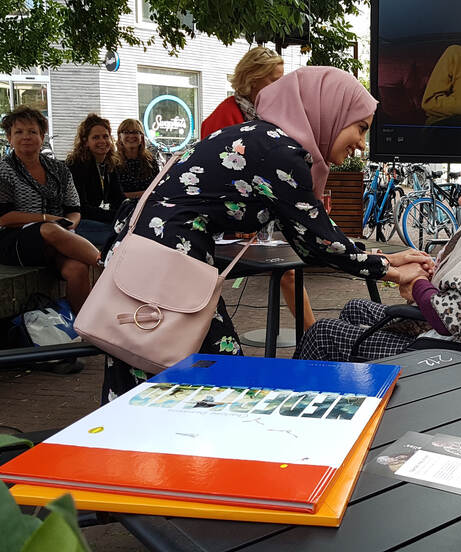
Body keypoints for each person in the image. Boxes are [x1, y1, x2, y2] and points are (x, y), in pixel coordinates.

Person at [102, 66, 431, 398]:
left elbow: (314, 234)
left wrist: (386, 259)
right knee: (221, 380)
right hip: (168, 263)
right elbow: (320, 243)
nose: (362, 144)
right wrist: (393, 272)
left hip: (156, 256)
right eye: (360, 128)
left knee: (148, 366)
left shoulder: (265, 138)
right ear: (330, 110)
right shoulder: (281, 154)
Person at [294, 127, 461, 369]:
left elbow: (452, 318)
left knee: (322, 334)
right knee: (355, 308)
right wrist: (431, 271)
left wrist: (419, 282)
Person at [201, 47, 316, 331]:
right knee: (207, 280)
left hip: (256, 215)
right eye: (274, 79)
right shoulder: (223, 117)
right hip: (221, 220)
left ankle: (313, 335)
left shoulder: (270, 114)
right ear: (253, 80)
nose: (282, 86)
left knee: (287, 272)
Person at [0, 106, 101, 315]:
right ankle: (107, 264)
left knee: (77, 269)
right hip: (13, 239)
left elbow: (74, 209)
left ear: (42, 136)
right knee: (49, 230)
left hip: (57, 237)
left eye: (32, 131)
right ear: (9, 137)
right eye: (18, 132)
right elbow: (4, 217)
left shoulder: (59, 169)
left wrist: (70, 226)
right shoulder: (4, 169)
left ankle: (87, 329)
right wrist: (48, 220)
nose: (26, 137)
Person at [65, 114, 124, 247]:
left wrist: (129, 211)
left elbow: (118, 198)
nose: (102, 141)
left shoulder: (109, 164)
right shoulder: (76, 165)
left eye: (105, 136)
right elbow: (82, 208)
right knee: (121, 236)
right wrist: (115, 217)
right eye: (96, 137)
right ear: (85, 142)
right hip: (77, 222)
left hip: (96, 219)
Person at [114, 119, 159, 199]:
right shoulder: (113, 162)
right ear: (119, 137)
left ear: (141, 136)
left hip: (147, 207)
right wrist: (146, 194)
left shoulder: (151, 160)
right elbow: (113, 196)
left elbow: (158, 189)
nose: (131, 136)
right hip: (121, 209)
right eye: (126, 132)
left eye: (135, 132)